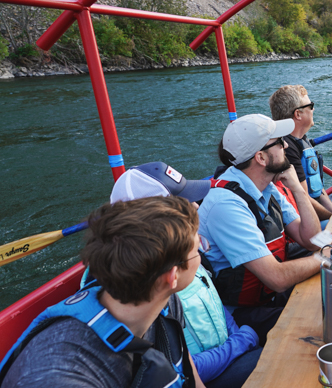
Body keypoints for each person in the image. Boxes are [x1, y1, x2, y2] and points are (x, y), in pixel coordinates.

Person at [0, 197, 205, 388]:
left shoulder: (166, 302)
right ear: (172, 276)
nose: (202, 253)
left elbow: (186, 370)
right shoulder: (59, 375)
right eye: (197, 250)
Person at [109, 162, 262, 388]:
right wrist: (242, 342)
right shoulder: (149, 287)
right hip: (211, 372)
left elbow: (219, 310)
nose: (196, 207)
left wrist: (240, 338)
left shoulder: (186, 256)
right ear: (157, 220)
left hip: (225, 355)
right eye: (185, 203)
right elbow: (182, 369)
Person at [199, 114, 322, 343]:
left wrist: (296, 188)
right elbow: (276, 278)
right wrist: (326, 258)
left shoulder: (267, 187)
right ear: (261, 158)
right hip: (239, 316)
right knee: (320, 322)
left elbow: (313, 240)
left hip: (266, 297)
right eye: (279, 142)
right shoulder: (226, 206)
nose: (286, 145)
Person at [269, 84, 332, 226]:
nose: (313, 109)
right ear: (298, 114)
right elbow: (302, 199)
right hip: (300, 220)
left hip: (314, 208)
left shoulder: (301, 139)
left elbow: (318, 189)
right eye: (310, 106)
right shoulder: (285, 148)